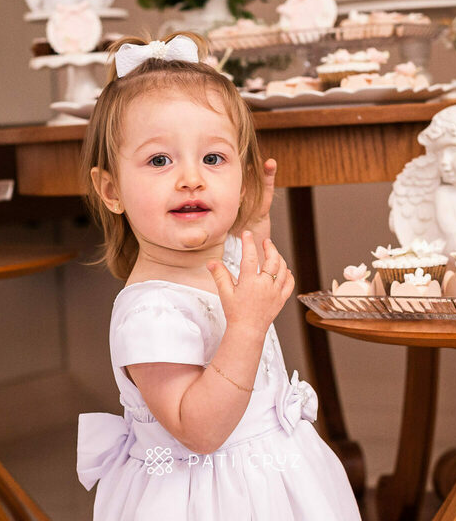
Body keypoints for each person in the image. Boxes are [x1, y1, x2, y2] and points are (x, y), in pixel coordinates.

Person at [76, 32, 361, 520]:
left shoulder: (222, 262)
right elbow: (200, 431)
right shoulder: (149, 313)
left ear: (242, 178)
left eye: (214, 159)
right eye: (159, 160)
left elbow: (241, 264)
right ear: (111, 190)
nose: (192, 179)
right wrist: (246, 328)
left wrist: (253, 222)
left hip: (273, 481)